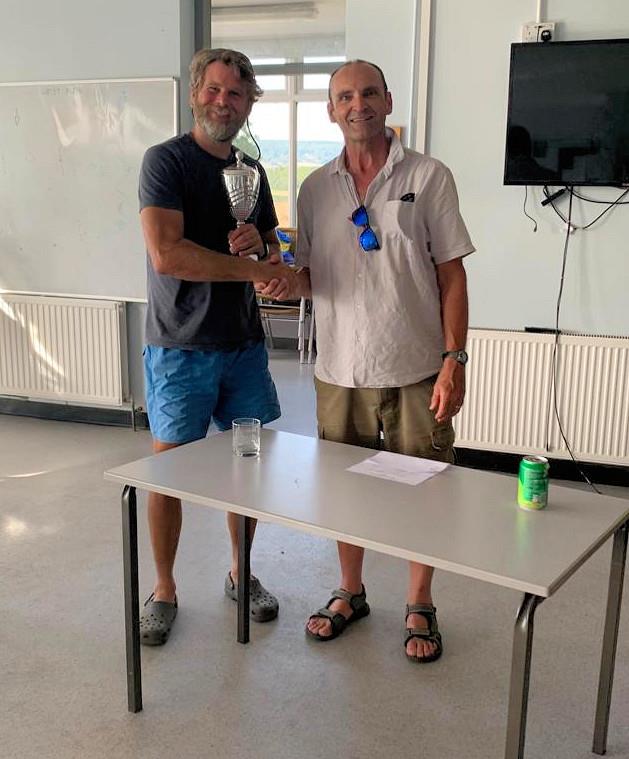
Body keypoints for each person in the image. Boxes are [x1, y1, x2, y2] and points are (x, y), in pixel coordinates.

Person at [258, 60, 474, 663]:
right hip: (339, 372)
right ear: (331, 109)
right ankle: (351, 592)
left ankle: (419, 601)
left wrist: (454, 358)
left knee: (424, 488)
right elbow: (313, 279)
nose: (358, 105)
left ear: (387, 100)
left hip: (415, 367)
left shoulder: (428, 176)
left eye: (369, 93)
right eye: (344, 96)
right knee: (344, 492)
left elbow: (452, 274)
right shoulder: (314, 189)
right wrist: (281, 285)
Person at [138, 48, 296, 646]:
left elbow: (274, 258)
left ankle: (242, 571)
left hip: (242, 346)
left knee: (246, 472)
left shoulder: (251, 174)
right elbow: (168, 255)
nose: (223, 102)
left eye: (236, 94)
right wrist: (251, 272)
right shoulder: (166, 162)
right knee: (168, 474)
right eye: (213, 90)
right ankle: (164, 587)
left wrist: (262, 252)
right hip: (179, 345)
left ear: (249, 103)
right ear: (194, 95)